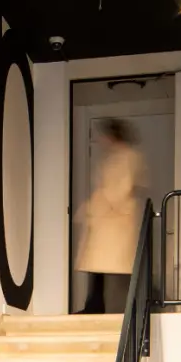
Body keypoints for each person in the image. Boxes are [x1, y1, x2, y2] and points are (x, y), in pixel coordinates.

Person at [74, 117, 145, 315]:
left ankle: (121, 308)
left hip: (116, 220)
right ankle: (95, 305)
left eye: (103, 136)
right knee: (99, 267)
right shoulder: (113, 158)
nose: (101, 140)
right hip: (106, 220)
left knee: (116, 269)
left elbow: (121, 188)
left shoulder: (128, 157)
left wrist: (101, 203)